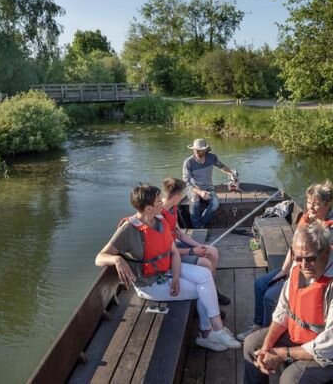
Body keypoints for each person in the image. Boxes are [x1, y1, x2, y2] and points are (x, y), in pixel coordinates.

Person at [94, 184, 240, 352]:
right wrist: (117, 259)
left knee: (205, 275)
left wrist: (177, 277)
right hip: (150, 285)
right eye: (158, 201)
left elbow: (174, 253)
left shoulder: (160, 221)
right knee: (203, 290)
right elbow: (100, 257)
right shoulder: (128, 230)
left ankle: (216, 330)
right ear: (149, 209)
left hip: (168, 272)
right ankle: (207, 334)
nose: (162, 203)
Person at [242, 226, 333, 384]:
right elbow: (283, 310)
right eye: (298, 258)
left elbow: (330, 345)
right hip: (307, 334)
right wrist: (267, 346)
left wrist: (282, 353)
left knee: (290, 379)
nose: (303, 265)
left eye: (310, 258)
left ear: (326, 252)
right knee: (252, 344)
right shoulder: (300, 264)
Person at [238, 180, 333, 341]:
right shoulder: (308, 219)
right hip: (298, 268)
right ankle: (257, 326)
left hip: (316, 274)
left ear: (328, 204)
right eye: (309, 202)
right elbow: (294, 248)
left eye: (316, 204)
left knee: (270, 296)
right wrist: (284, 271)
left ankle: (266, 333)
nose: (310, 207)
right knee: (260, 284)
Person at [161, 177, 231, 305]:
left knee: (212, 251)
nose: (183, 196)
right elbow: (167, 250)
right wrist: (193, 251)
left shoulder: (172, 209)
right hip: (170, 254)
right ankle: (207, 298)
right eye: (182, 193)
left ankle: (212, 290)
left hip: (176, 247)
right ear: (176, 195)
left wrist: (201, 246)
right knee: (205, 263)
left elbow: (180, 235)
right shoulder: (158, 215)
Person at [182, 138, 235, 228]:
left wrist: (231, 173)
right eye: (195, 150)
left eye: (200, 150)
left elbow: (221, 166)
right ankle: (196, 226)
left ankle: (200, 224)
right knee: (195, 198)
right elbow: (186, 182)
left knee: (215, 203)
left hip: (209, 188)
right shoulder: (188, 163)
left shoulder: (212, 157)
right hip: (193, 189)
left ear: (205, 150)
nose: (197, 152)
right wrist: (200, 192)